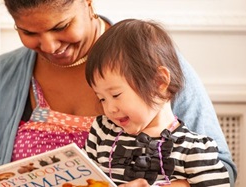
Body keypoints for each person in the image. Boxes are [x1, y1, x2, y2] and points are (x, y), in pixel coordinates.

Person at [0, 0, 237, 186]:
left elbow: (219, 168)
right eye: (28, 32)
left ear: (87, 1)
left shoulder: (148, 65)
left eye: (61, 26)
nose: (49, 45)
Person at [84, 19, 230, 187]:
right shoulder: (102, 133)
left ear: (159, 82)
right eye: (101, 98)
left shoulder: (194, 150)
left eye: (116, 95)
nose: (110, 109)